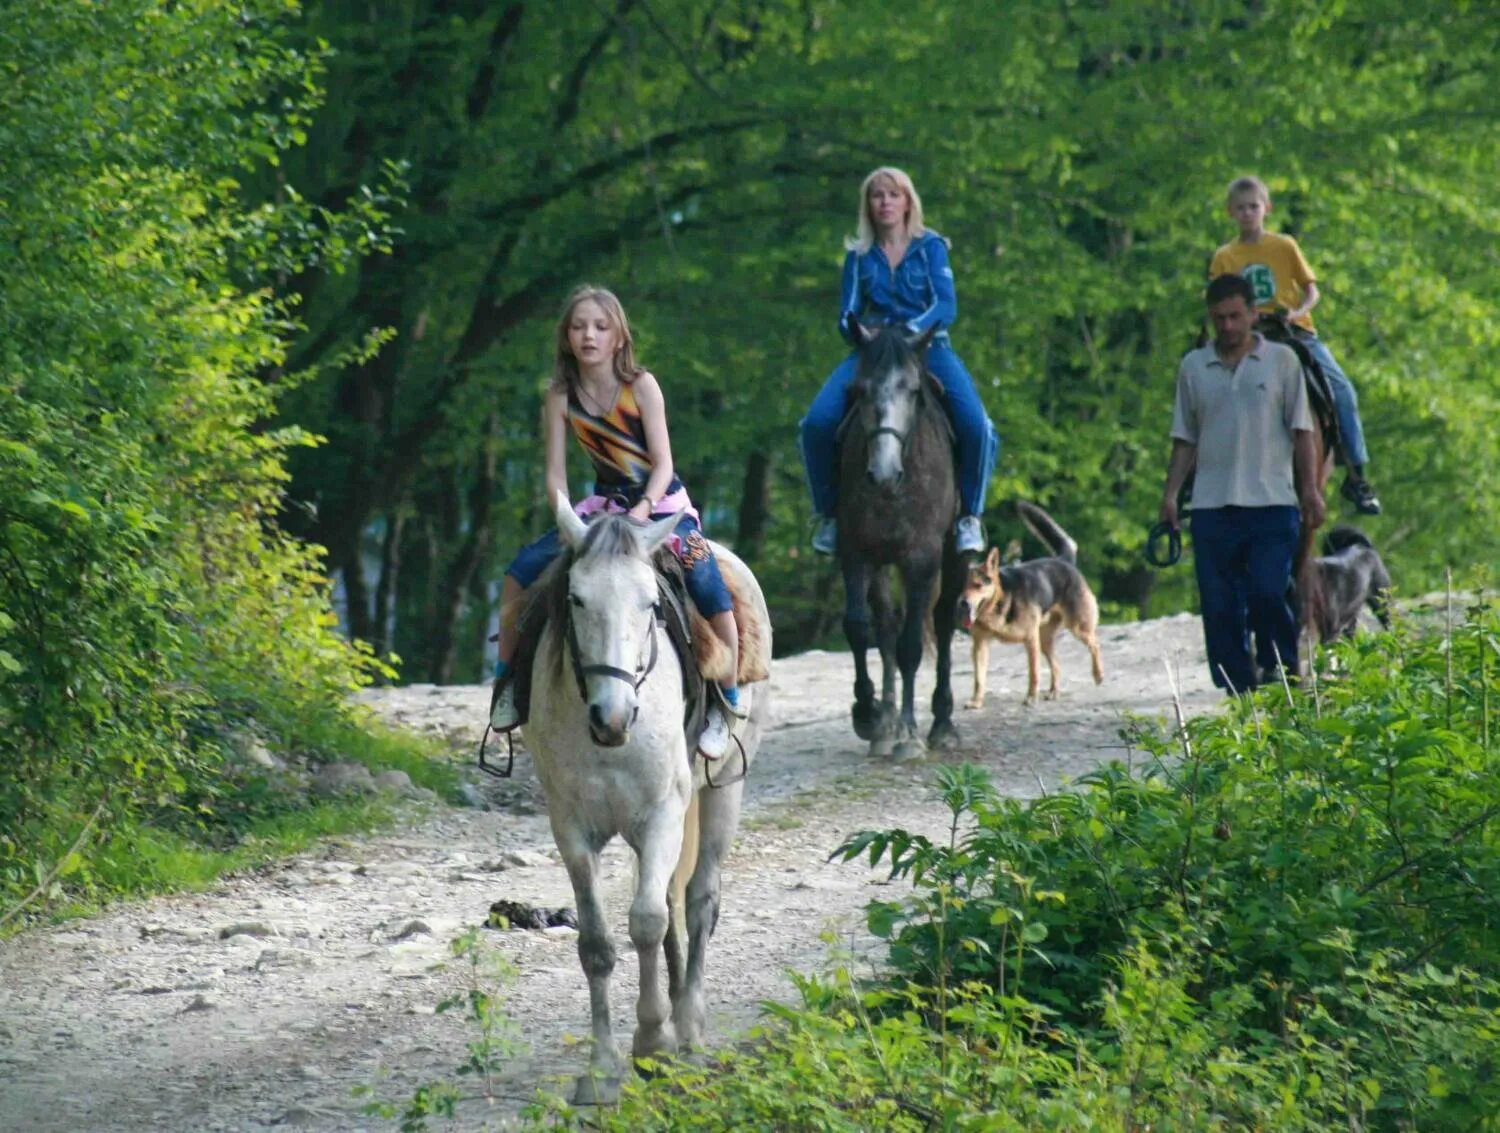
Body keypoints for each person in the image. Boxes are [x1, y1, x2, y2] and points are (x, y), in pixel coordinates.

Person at [490, 285, 743, 758]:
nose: (589, 335)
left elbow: (664, 463)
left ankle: (725, 700)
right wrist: (565, 516)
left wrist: (645, 508)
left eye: (601, 327)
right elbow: (555, 473)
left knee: (707, 582)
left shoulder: (641, 385)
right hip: (601, 512)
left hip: (660, 508)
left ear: (619, 337)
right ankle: (509, 682)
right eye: (579, 326)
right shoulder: (560, 395)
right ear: (566, 337)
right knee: (520, 574)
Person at [799, 166, 998, 556]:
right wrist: (861, 333)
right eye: (877, 195)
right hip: (872, 353)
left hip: (929, 348)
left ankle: (969, 517)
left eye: (893, 195)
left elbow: (946, 305)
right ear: (868, 205)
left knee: (978, 425)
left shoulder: (932, 247)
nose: (885, 202)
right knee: (816, 423)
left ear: (908, 202)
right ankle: (829, 516)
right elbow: (847, 314)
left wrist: (910, 332)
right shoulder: (858, 256)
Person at [1160, 273, 1327, 693]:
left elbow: (1302, 431)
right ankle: (1238, 691)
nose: (1228, 327)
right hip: (1212, 506)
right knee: (1219, 607)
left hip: (1272, 502)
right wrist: (1169, 496)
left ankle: (1284, 676)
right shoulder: (1194, 366)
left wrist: (1310, 490)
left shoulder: (1283, 362)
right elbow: (1185, 437)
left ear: (1253, 314)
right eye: (1220, 319)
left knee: (1269, 592)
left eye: (1236, 316)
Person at [1209, 175, 1381, 515]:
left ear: (1266, 209)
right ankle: (1198, 477)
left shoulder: (1284, 246)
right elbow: (1216, 299)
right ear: (1230, 212)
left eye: (1253, 207)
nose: (1248, 213)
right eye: (1241, 208)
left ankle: (1357, 476)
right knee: (1206, 389)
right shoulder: (1225, 256)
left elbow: (1311, 291)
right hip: (1245, 333)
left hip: (1293, 330)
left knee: (1342, 391)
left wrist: (1297, 312)